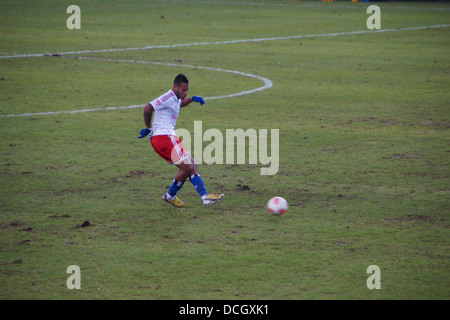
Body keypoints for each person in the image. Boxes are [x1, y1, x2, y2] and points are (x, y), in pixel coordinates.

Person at [138, 74, 224, 207]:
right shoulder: (168, 96)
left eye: (187, 90)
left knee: (192, 165)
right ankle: (172, 196)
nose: (185, 92)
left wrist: (192, 99)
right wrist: (148, 128)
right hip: (163, 137)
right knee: (187, 167)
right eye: (183, 90)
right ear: (175, 87)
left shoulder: (176, 98)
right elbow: (148, 108)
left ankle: (204, 197)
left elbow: (179, 103)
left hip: (169, 137)